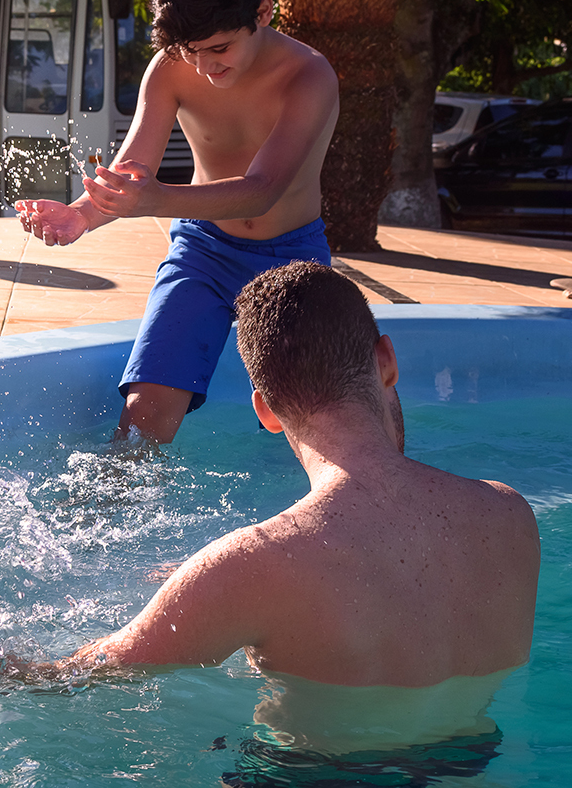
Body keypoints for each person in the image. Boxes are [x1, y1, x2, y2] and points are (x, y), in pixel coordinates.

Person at [60, 262, 540, 692]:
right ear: (387, 361)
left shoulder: (248, 568)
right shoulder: (509, 516)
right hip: (477, 765)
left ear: (264, 411)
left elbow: (82, 676)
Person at [17, 0, 339, 445]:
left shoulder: (309, 75)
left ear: (263, 12)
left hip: (292, 257)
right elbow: (132, 174)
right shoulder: (172, 67)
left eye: (220, 48)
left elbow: (262, 191)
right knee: (142, 416)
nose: (206, 67)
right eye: (192, 52)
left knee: (323, 418)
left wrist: (154, 199)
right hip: (203, 252)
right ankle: (111, 508)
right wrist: (81, 215)